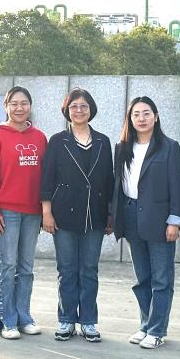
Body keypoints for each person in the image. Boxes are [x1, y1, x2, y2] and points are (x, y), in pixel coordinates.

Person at [40, 88, 116, 342]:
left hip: (95, 214)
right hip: (64, 214)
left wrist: (110, 214)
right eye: (74, 106)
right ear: (67, 110)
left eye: (84, 106)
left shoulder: (103, 141)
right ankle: (66, 320)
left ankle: (89, 322)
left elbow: (109, 181)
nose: (79, 110)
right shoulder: (58, 141)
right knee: (67, 269)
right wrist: (46, 212)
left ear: (91, 110)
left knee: (89, 270)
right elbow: (47, 178)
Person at [111, 96, 180, 350]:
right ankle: (145, 325)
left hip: (159, 219)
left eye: (146, 113)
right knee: (142, 278)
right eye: (136, 114)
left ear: (156, 116)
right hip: (130, 215)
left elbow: (176, 186)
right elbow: (117, 186)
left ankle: (157, 330)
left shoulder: (169, 147)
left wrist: (174, 220)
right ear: (130, 119)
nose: (141, 118)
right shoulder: (122, 147)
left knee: (161, 279)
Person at [0, 86, 48, 340]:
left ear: (30, 106)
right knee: (8, 266)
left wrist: (45, 210)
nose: (19, 108)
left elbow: (45, 177)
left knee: (26, 267)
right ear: (6, 106)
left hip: (32, 212)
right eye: (14, 103)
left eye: (24, 103)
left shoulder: (39, 137)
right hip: (6, 211)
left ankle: (24, 316)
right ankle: (7, 320)